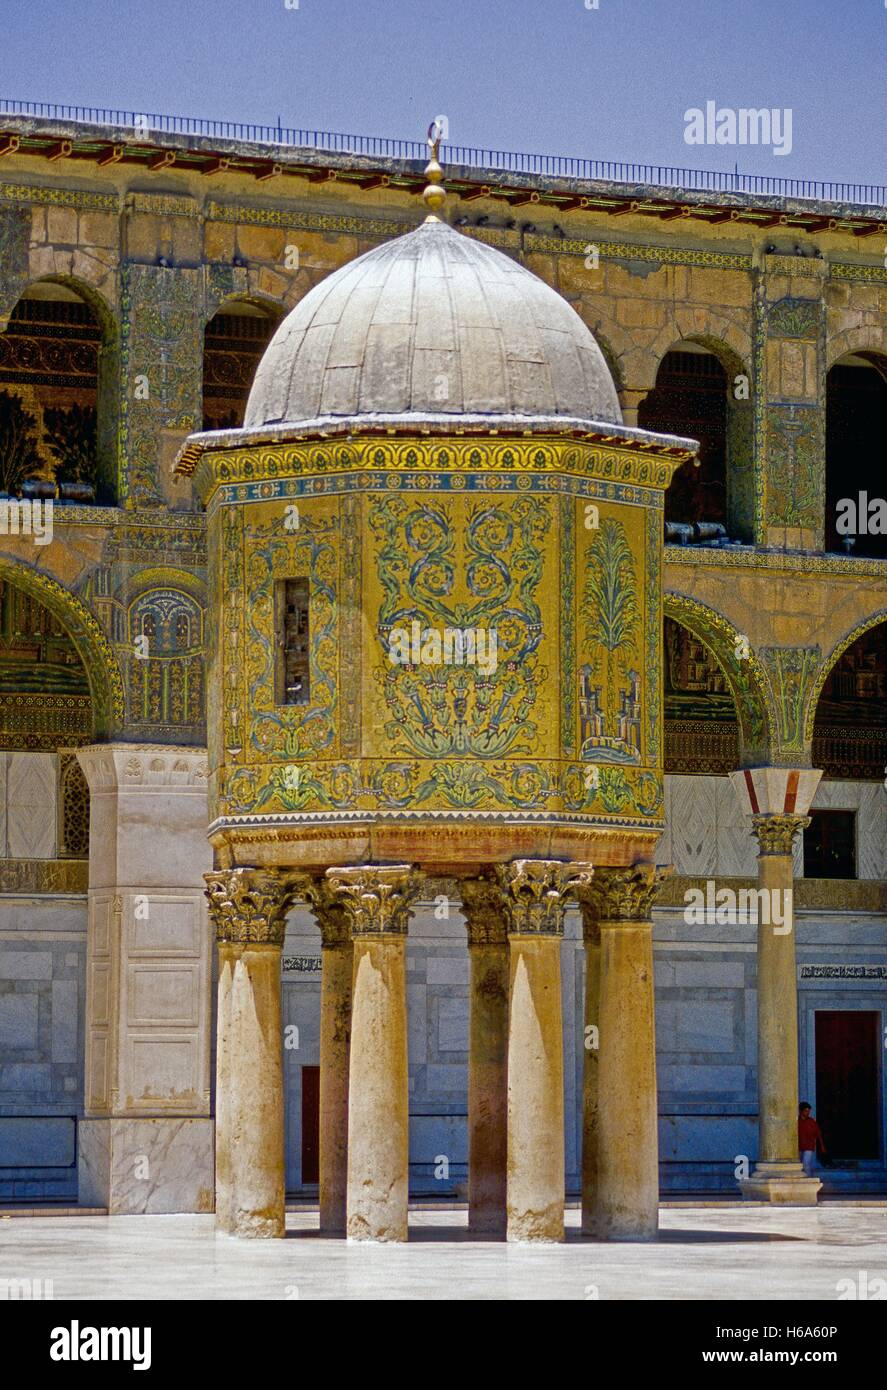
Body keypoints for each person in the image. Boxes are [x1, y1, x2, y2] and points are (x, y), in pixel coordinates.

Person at [798, 1101, 827, 1176]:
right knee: (800, 1166)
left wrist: (822, 1146)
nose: (807, 1113)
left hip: (809, 1146)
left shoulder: (811, 1122)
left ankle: (808, 1180)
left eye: (808, 1111)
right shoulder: (797, 1121)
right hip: (799, 1147)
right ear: (801, 1111)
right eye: (806, 1111)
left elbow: (818, 1134)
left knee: (806, 1164)